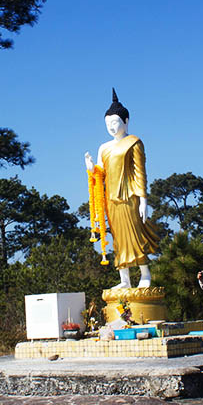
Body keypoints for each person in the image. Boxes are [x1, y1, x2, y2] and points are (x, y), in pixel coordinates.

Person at [84, 89, 161, 289]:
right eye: (108, 124)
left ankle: (145, 274)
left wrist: (143, 199)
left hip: (129, 196)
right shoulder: (104, 147)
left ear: (126, 121)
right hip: (110, 199)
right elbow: (100, 172)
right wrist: (92, 168)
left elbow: (139, 172)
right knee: (117, 239)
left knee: (136, 234)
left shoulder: (134, 142)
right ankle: (124, 279)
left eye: (115, 122)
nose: (111, 127)